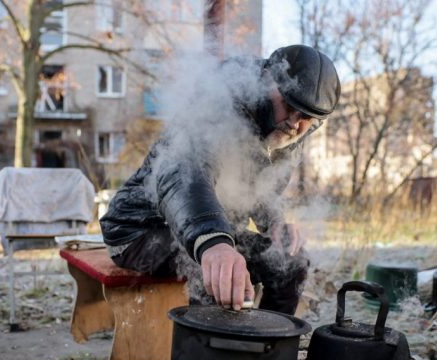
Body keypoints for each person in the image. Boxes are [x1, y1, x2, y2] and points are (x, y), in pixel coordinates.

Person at [99, 45, 341, 315]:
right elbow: (184, 172)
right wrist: (214, 243)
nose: (295, 124)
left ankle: (270, 347)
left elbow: (256, 190)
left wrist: (274, 223)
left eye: (307, 117)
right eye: (288, 105)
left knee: (291, 264)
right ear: (266, 80)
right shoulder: (219, 96)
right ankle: (207, 354)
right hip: (140, 229)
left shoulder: (284, 131)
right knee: (218, 279)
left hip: (211, 229)